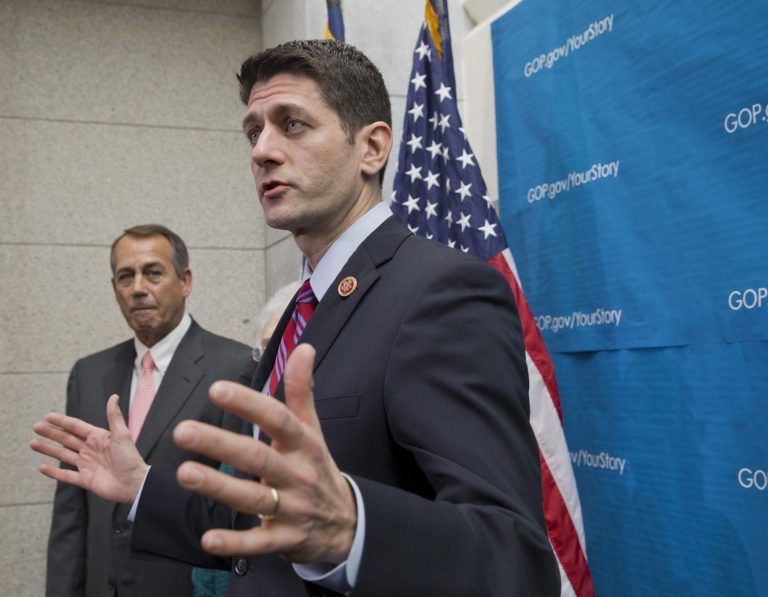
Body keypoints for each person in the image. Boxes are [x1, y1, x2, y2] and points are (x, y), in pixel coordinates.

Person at [33, 41, 560, 596]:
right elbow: (260, 524)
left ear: (372, 148)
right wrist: (141, 485)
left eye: (293, 124)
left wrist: (353, 531)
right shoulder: (303, 307)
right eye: (253, 131)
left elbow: (514, 555)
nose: (262, 151)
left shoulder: (441, 290)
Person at [45, 224, 254, 597]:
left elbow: (239, 508)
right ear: (115, 288)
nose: (138, 287)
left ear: (185, 281)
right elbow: (71, 514)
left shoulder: (235, 368)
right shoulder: (89, 373)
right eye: (126, 276)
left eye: (153, 272)